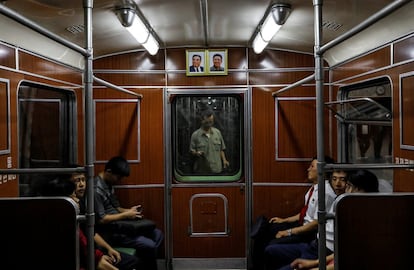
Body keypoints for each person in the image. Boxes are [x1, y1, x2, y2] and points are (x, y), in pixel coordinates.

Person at [265, 169, 379, 270]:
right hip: (316, 244)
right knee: (270, 249)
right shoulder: (342, 203)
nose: (341, 186)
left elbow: (348, 255)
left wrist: (315, 264)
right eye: (334, 179)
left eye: (348, 185)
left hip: (324, 250)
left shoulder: (361, 218)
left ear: (358, 190)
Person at [250, 157, 341, 270]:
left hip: (308, 232)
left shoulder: (326, 193)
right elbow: (306, 213)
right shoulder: (315, 188)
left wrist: (288, 232)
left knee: (270, 243)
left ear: (322, 171)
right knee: (266, 229)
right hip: (302, 225)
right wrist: (284, 220)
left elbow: (316, 223)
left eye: (312, 166)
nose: (308, 169)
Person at [38, 176, 126, 270]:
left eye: (83, 180)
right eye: (72, 197)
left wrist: (100, 256)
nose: (77, 200)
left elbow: (88, 251)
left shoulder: (71, 220)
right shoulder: (65, 226)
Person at [94, 156, 164, 270]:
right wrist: (125, 215)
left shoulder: (108, 184)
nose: (119, 180)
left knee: (158, 234)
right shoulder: (96, 190)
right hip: (111, 230)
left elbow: (116, 207)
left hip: (121, 223)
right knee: (149, 245)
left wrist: (130, 211)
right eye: (118, 177)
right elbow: (101, 219)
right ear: (108, 171)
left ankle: (145, 263)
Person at [69, 167, 140, 270]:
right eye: (77, 181)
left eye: (83, 180)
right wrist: (99, 256)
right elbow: (84, 244)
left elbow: (91, 232)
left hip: (94, 250)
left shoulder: (82, 202)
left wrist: (109, 249)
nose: (82, 184)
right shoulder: (73, 208)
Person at [189, 109, 229, 174]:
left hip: (217, 169)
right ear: (202, 120)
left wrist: (224, 160)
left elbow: (221, 149)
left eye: (211, 122)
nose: (209, 124)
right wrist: (196, 153)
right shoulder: (195, 135)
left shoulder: (217, 133)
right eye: (207, 122)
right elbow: (191, 151)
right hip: (202, 170)